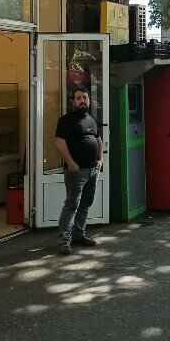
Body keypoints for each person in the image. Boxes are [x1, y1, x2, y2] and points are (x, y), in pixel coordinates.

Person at [55, 85, 104, 255]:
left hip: (92, 170)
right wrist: (71, 163)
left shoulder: (92, 119)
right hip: (76, 171)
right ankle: (64, 240)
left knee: (85, 204)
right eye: (78, 98)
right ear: (73, 102)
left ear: (89, 100)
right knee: (72, 205)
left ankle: (79, 235)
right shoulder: (66, 120)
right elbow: (60, 143)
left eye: (84, 97)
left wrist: (100, 160)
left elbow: (98, 140)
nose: (82, 100)